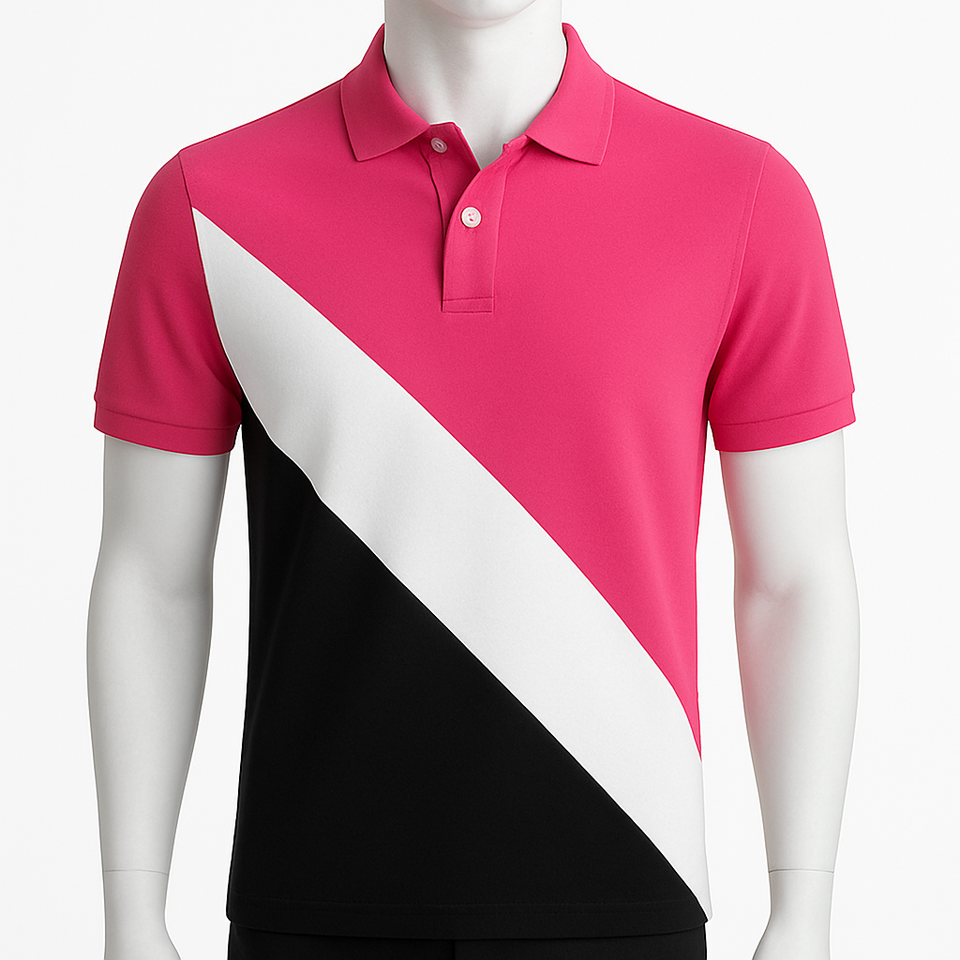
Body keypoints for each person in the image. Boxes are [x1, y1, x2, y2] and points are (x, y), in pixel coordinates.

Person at [87, 2, 860, 959]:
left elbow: (795, 580)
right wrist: (131, 912)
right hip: (312, 910)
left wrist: (804, 911)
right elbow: (150, 578)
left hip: (627, 906)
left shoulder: (740, 200)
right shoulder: (208, 205)